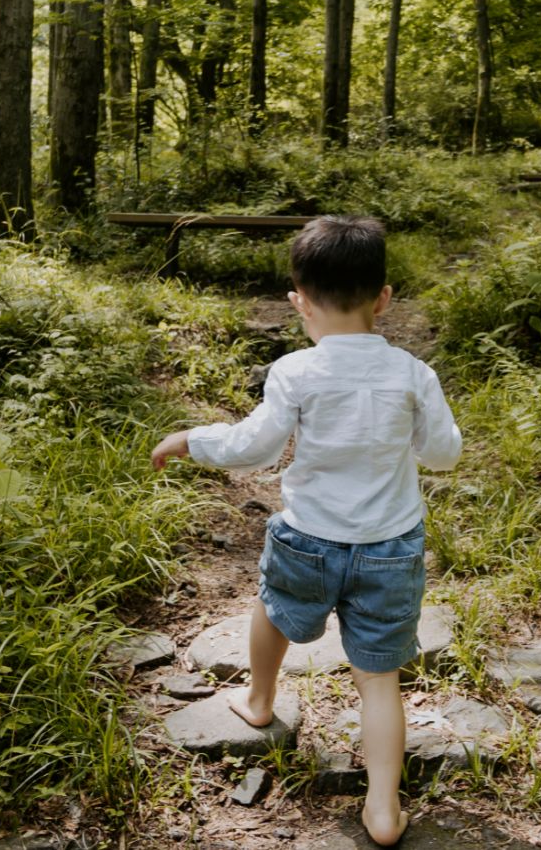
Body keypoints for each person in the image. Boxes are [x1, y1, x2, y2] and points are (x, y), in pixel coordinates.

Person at [152, 215, 462, 847]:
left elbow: (256, 446)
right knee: (379, 678)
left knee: (274, 605)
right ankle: (381, 809)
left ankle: (261, 699)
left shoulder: (295, 371)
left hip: (308, 538)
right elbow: (443, 455)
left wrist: (193, 439)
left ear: (298, 303)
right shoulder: (412, 374)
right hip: (390, 547)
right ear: (384, 298)